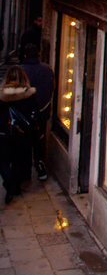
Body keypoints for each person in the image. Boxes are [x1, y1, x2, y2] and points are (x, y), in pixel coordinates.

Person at [0, 65, 38, 203]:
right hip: (21, 134)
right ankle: (15, 184)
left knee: (3, 161)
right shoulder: (29, 95)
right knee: (18, 160)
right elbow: (35, 114)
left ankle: (8, 181)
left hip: (3, 133)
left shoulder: (2, 96)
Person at [21, 43, 55, 181]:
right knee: (40, 138)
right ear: (38, 54)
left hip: (24, 113)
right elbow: (52, 87)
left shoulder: (20, 71)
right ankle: (40, 165)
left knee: (25, 140)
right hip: (42, 111)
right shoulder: (47, 70)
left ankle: (26, 171)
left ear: (24, 56)